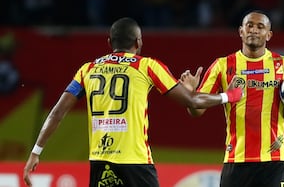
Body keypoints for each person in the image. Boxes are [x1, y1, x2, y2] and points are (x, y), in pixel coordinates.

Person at [23, 17, 243, 187]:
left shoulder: (87, 69)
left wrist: (36, 152)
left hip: (101, 161)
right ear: (139, 42)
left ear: (110, 42)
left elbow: (57, 113)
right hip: (135, 162)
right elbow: (193, 102)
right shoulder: (146, 66)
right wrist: (230, 96)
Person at [180, 11, 284, 187]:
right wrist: (190, 94)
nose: (254, 30)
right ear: (241, 31)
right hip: (236, 158)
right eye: (249, 25)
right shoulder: (223, 65)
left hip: (274, 160)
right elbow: (196, 111)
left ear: (269, 35)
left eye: (260, 27)